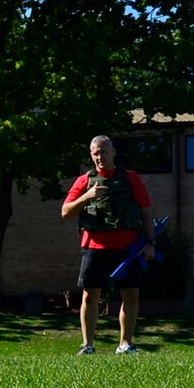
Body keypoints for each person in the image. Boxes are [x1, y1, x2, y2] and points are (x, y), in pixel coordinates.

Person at [61, 135, 156, 354]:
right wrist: (87, 196)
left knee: (131, 294)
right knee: (89, 295)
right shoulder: (84, 181)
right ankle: (88, 345)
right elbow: (66, 212)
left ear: (113, 152)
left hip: (128, 248)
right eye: (95, 153)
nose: (99, 157)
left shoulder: (131, 178)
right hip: (94, 247)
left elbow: (146, 211)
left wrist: (150, 243)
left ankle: (125, 344)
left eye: (103, 152)